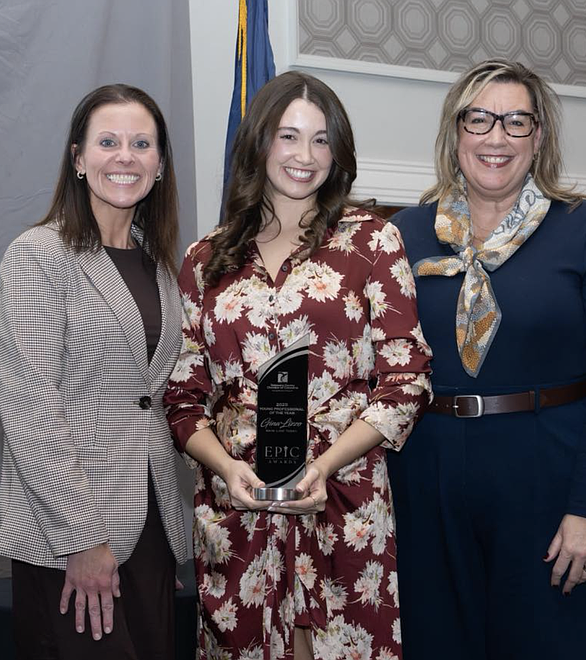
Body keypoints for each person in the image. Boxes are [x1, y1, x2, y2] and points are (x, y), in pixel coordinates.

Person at [165, 70, 432, 660]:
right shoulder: (204, 258)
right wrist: (227, 469)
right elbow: (183, 392)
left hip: (344, 500)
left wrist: (327, 464)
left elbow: (406, 378)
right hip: (236, 507)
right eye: (288, 136)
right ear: (259, 143)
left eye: (320, 139)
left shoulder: (372, 242)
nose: (304, 156)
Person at [387, 59, 586, 659]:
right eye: (479, 118)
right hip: (426, 478)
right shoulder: (403, 233)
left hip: (548, 480)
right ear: (455, 134)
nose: (495, 137)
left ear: (539, 137)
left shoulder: (583, 227)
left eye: (516, 121)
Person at [0, 83, 188, 659]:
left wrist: (160, 538)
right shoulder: (38, 254)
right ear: (78, 158)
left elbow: (153, 397)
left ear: (159, 163)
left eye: (141, 143)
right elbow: (30, 412)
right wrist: (83, 538)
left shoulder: (160, 267)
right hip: (70, 535)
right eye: (107, 141)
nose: (125, 156)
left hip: (149, 529)